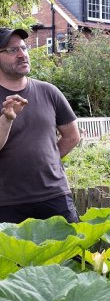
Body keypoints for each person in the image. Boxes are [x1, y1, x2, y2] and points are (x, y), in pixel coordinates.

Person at [0, 27, 80, 224]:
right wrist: (7, 118)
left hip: (54, 195)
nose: (22, 54)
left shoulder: (49, 92)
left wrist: (47, 162)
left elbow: (72, 136)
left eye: (24, 48)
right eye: (12, 50)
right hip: (7, 202)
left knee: (73, 254)